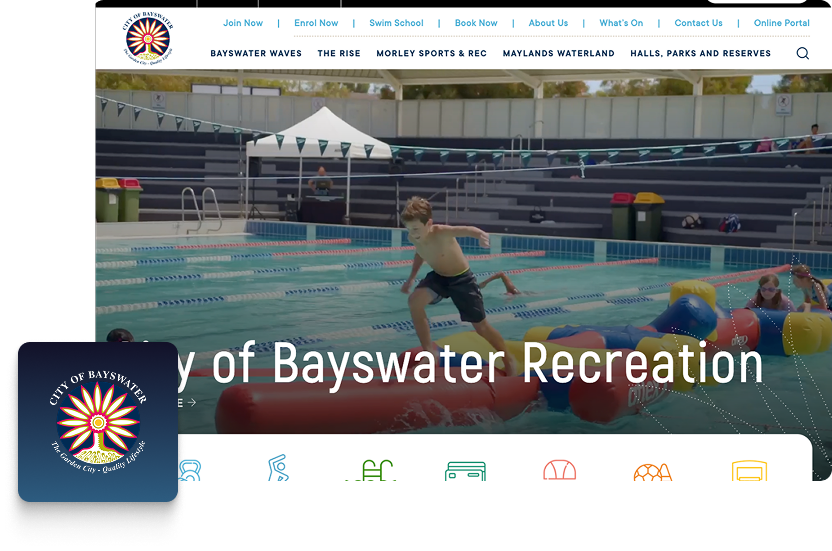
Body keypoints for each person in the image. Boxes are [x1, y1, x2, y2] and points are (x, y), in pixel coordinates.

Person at [399, 197, 519, 376]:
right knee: (414, 302)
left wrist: (481, 236)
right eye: (409, 229)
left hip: (462, 280)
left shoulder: (441, 232)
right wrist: (411, 278)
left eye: (416, 228)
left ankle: (507, 358)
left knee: (481, 327)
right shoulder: (413, 236)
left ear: (429, 223)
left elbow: (468, 230)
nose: (413, 233)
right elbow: (420, 253)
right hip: (440, 278)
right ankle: (429, 352)